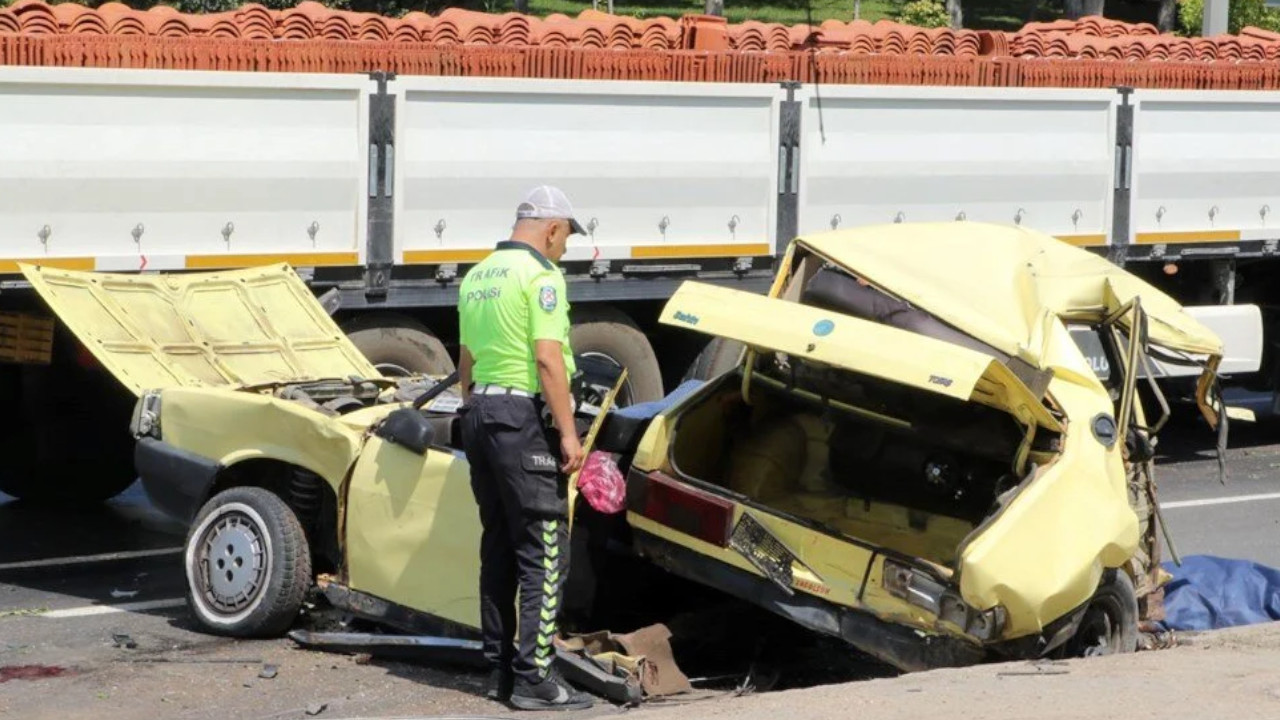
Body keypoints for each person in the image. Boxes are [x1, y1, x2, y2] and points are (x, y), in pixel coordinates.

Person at [456, 185, 592, 711]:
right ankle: (537, 677)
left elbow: (466, 361)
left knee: (498, 542)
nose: (564, 250)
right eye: (565, 239)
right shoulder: (540, 277)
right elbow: (547, 360)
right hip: (519, 417)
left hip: (480, 415)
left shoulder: (477, 276)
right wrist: (568, 432)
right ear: (552, 229)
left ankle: (500, 672)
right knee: (544, 546)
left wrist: (475, 415)